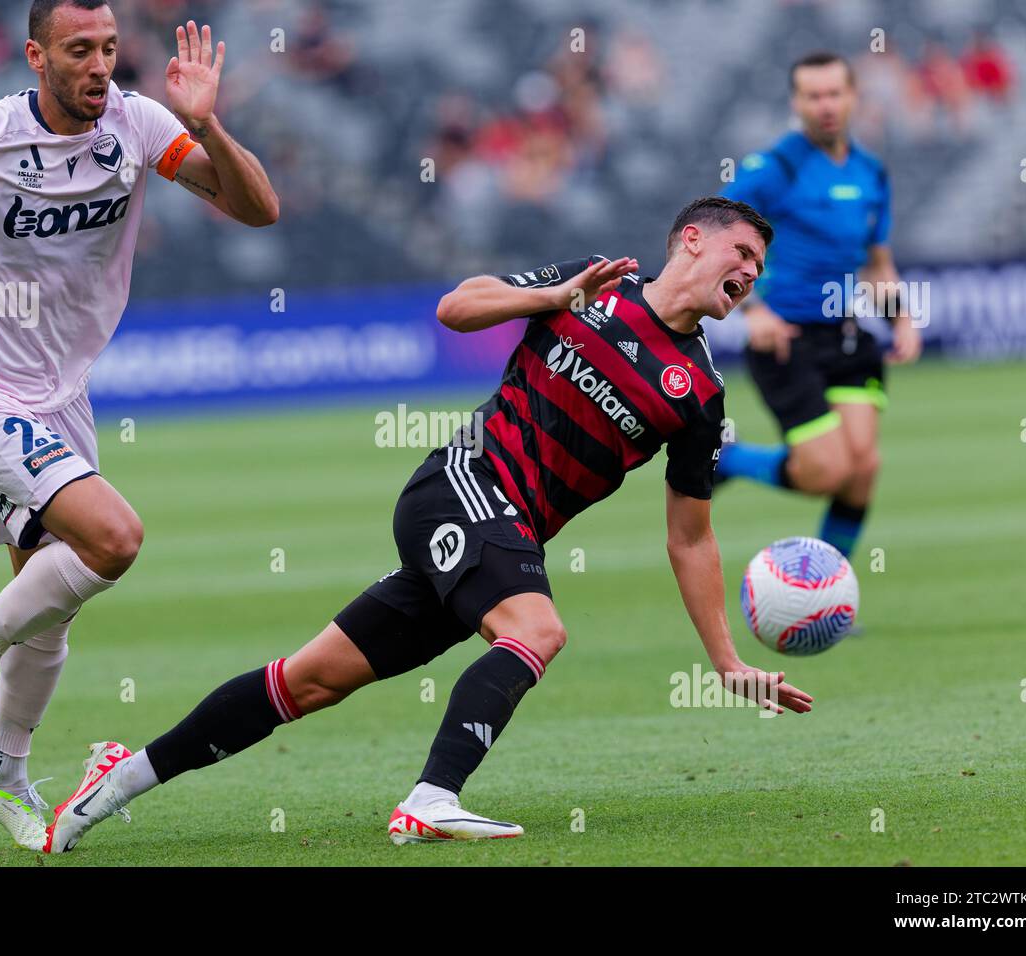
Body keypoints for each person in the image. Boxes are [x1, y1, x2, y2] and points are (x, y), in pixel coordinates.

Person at [45, 196, 813, 854]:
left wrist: (723, 661)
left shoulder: (700, 394)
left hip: (501, 533)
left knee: (307, 682)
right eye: (741, 253)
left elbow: (690, 536)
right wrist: (551, 300)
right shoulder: (596, 284)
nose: (748, 275)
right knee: (538, 630)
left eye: (758, 268)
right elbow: (457, 307)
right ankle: (432, 800)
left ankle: (120, 775)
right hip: (461, 484)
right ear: (691, 240)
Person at [0, 0, 278, 849]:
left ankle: (1, 774)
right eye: (80, 50)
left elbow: (256, 210)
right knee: (114, 539)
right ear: (37, 55)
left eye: (109, 48)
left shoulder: (141, 125)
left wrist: (209, 123)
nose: (99, 66)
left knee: (51, 606)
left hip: (62, 399)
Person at [718, 51, 921, 571]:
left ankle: (825, 593)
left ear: (852, 97)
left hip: (848, 337)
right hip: (788, 339)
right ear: (797, 102)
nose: (825, 105)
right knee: (826, 472)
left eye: (834, 93)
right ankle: (727, 458)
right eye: (813, 96)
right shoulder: (775, 168)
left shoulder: (871, 172)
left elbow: (877, 263)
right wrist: (752, 310)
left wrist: (900, 317)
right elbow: (710, 234)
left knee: (862, 469)